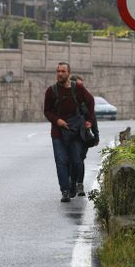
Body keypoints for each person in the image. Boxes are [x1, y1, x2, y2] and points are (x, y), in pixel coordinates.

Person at [44, 62, 95, 202]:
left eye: (63, 71)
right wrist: (57, 120)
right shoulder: (51, 91)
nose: (60, 73)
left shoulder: (77, 88)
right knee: (61, 162)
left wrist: (89, 120)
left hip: (75, 132)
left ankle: (74, 183)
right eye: (58, 71)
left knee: (77, 161)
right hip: (58, 133)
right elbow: (47, 111)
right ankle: (65, 191)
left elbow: (90, 101)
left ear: (68, 73)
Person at [69, 74, 99, 197]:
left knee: (79, 161)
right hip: (69, 136)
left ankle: (79, 184)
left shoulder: (86, 100)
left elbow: (93, 118)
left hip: (83, 136)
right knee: (72, 161)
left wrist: (96, 134)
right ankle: (72, 183)